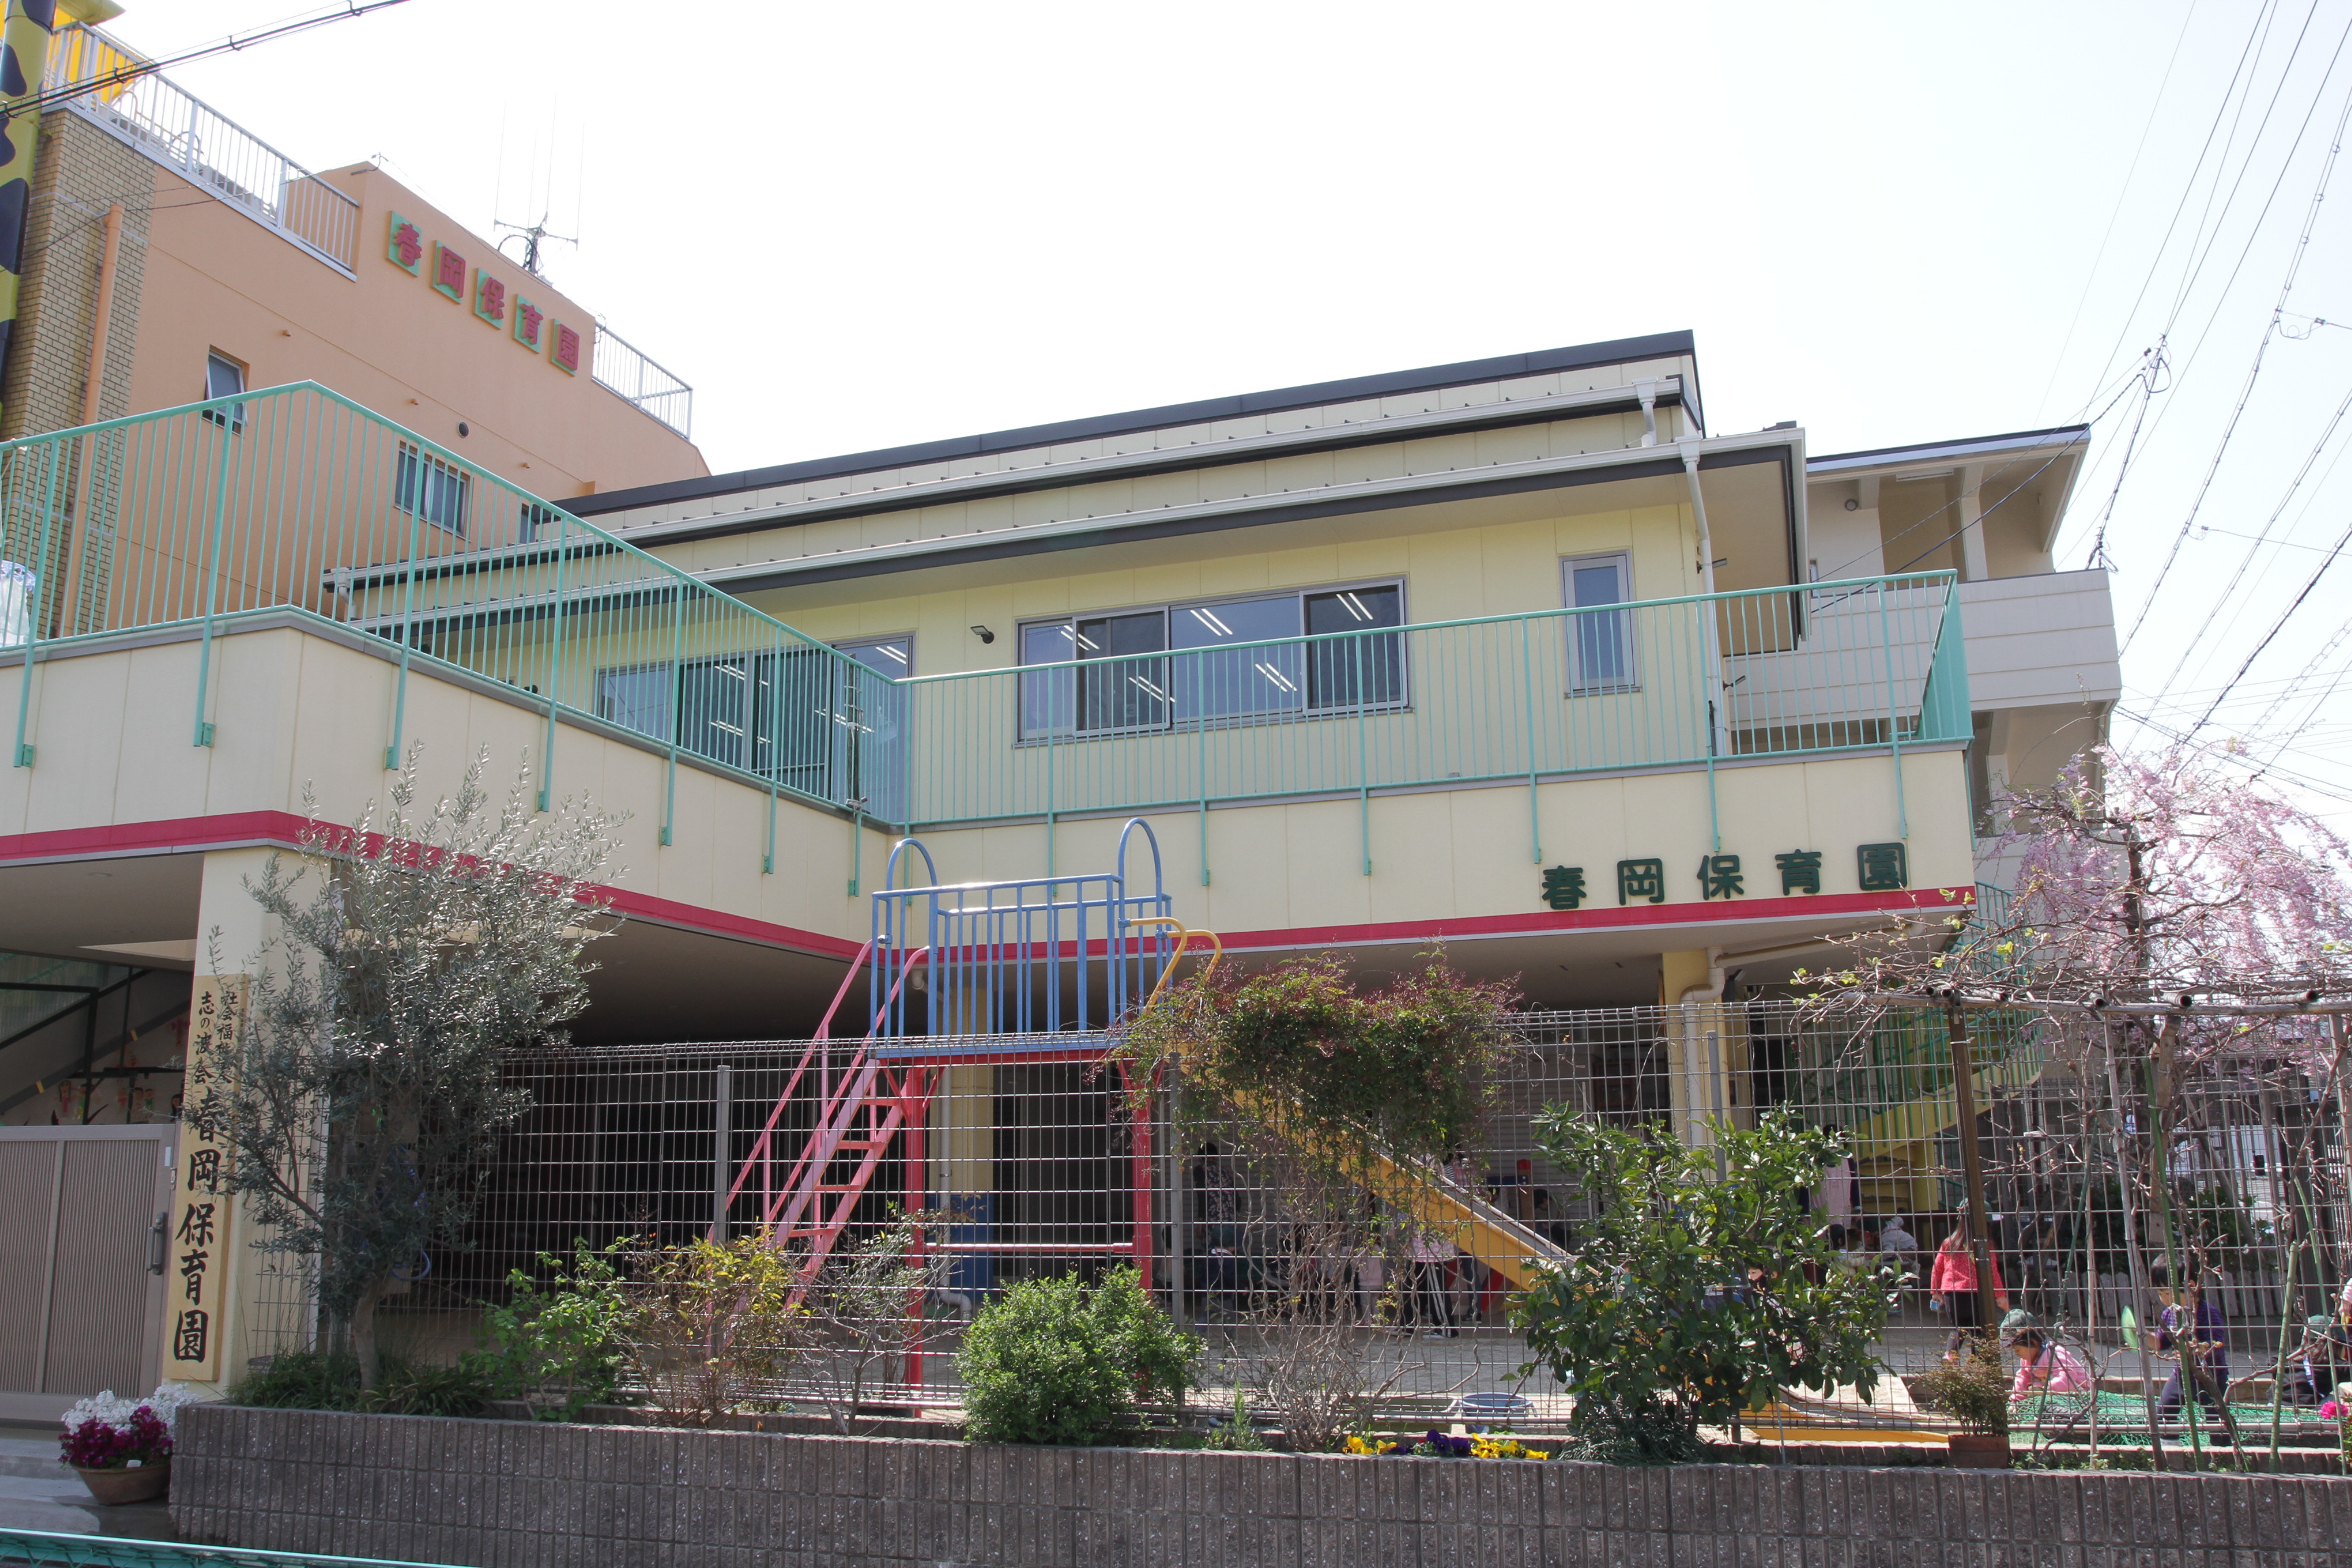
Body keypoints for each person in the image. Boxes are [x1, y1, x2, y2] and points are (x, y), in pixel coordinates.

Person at [2152, 1261, 2230, 1435]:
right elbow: (2161, 1342)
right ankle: (2170, 1447)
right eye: (2159, 1293)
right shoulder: (2170, 1313)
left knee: (2219, 1423)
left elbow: (2216, 1345)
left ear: (2190, 1286)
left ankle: (2224, 1448)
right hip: (2181, 1376)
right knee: (2162, 1415)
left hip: (2212, 1377)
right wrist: (2142, 1338)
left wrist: (2193, 1350)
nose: (2164, 1299)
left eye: (2167, 1293)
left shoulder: (2207, 1312)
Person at [1930, 1226, 2008, 1358]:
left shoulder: (1949, 1243)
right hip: (1978, 1293)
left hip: (1952, 1293)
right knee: (1979, 1331)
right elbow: (1992, 1271)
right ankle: (1977, 1362)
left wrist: (1936, 1291)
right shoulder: (1985, 1244)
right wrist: (2000, 1295)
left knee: (1957, 1328)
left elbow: (1937, 1267)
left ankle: (1951, 1356)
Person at [2006, 1323, 2091, 1396]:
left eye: (2018, 1350)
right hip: (2049, 1393)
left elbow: (2067, 1375)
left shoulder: (2053, 1352)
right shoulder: (2026, 1359)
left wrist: (2048, 1388)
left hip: (2077, 1390)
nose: (2017, 1354)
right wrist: (2017, 1398)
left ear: (2033, 1342)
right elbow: (2023, 1378)